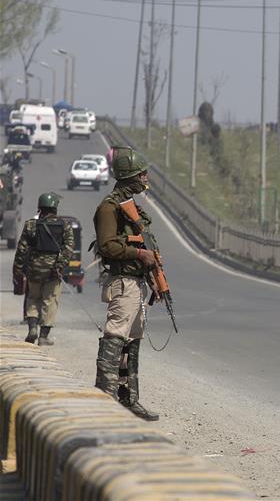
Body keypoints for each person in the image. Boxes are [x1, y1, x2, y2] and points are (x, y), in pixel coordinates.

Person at [93, 146, 160, 421]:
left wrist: (152, 272)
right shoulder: (109, 208)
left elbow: (144, 244)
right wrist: (139, 254)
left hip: (137, 282)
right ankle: (104, 397)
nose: (145, 179)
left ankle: (128, 398)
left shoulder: (132, 209)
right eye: (141, 175)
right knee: (115, 337)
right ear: (129, 177)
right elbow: (107, 245)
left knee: (133, 340)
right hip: (123, 283)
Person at [12, 192, 75, 345]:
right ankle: (43, 336)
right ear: (55, 207)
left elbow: (22, 249)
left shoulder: (30, 225)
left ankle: (32, 328)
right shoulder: (64, 225)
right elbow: (69, 248)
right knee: (50, 300)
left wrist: (18, 269)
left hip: (34, 269)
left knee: (33, 298)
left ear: (40, 207)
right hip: (53, 271)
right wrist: (60, 265)